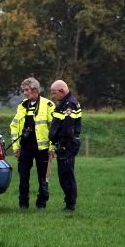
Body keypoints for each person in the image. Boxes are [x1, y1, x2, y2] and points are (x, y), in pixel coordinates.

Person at [10, 77, 55, 209]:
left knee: (43, 177)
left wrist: (52, 148)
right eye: (23, 90)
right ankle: (23, 204)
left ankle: (41, 204)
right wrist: (15, 146)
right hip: (25, 147)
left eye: (27, 90)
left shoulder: (48, 105)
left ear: (35, 90)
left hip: (42, 147)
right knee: (23, 176)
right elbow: (14, 126)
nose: (24, 93)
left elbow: (54, 128)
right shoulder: (22, 106)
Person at [49, 80, 82, 212]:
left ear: (62, 91)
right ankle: (69, 202)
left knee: (67, 176)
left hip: (66, 145)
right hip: (63, 145)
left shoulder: (70, 105)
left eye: (54, 93)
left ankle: (70, 205)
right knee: (63, 175)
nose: (52, 96)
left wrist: (62, 145)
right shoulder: (64, 103)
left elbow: (68, 129)